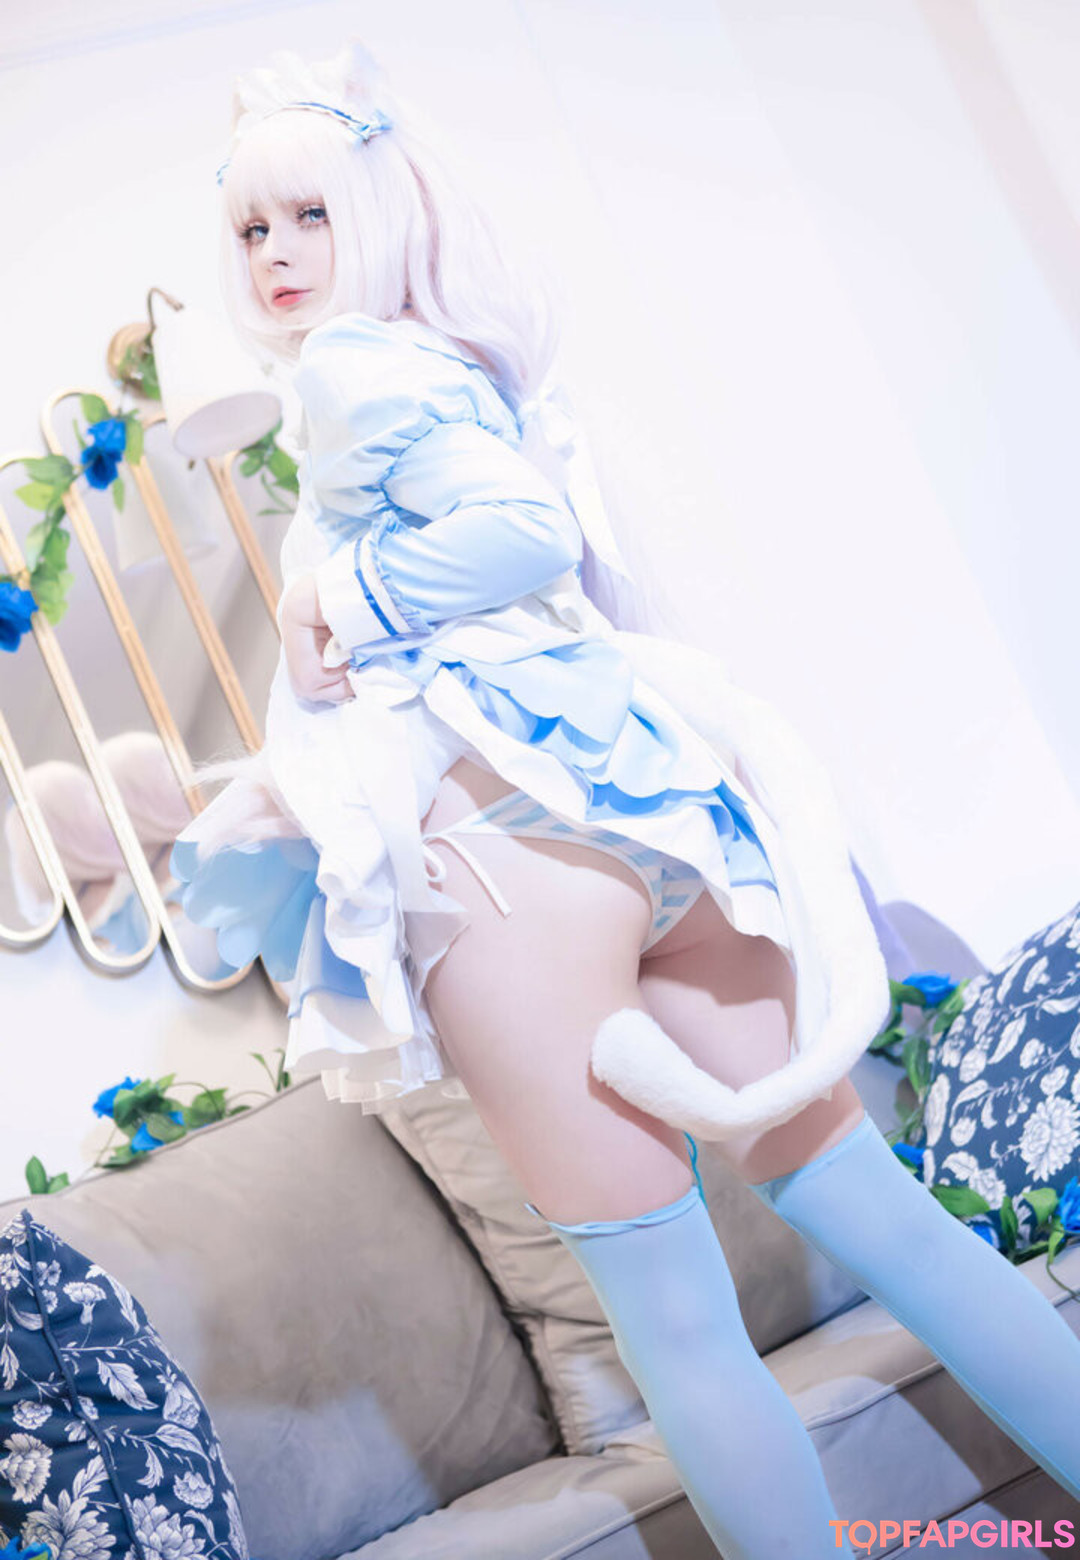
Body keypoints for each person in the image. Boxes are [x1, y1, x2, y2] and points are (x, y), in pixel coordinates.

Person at [172, 41, 1080, 1557]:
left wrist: (340, 597)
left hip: (511, 866)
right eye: (253, 226)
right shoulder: (466, 364)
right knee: (886, 1219)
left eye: (309, 215)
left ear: (379, 209)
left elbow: (519, 534)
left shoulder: (346, 372)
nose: (275, 254)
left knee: (678, 1326)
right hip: (654, 818)